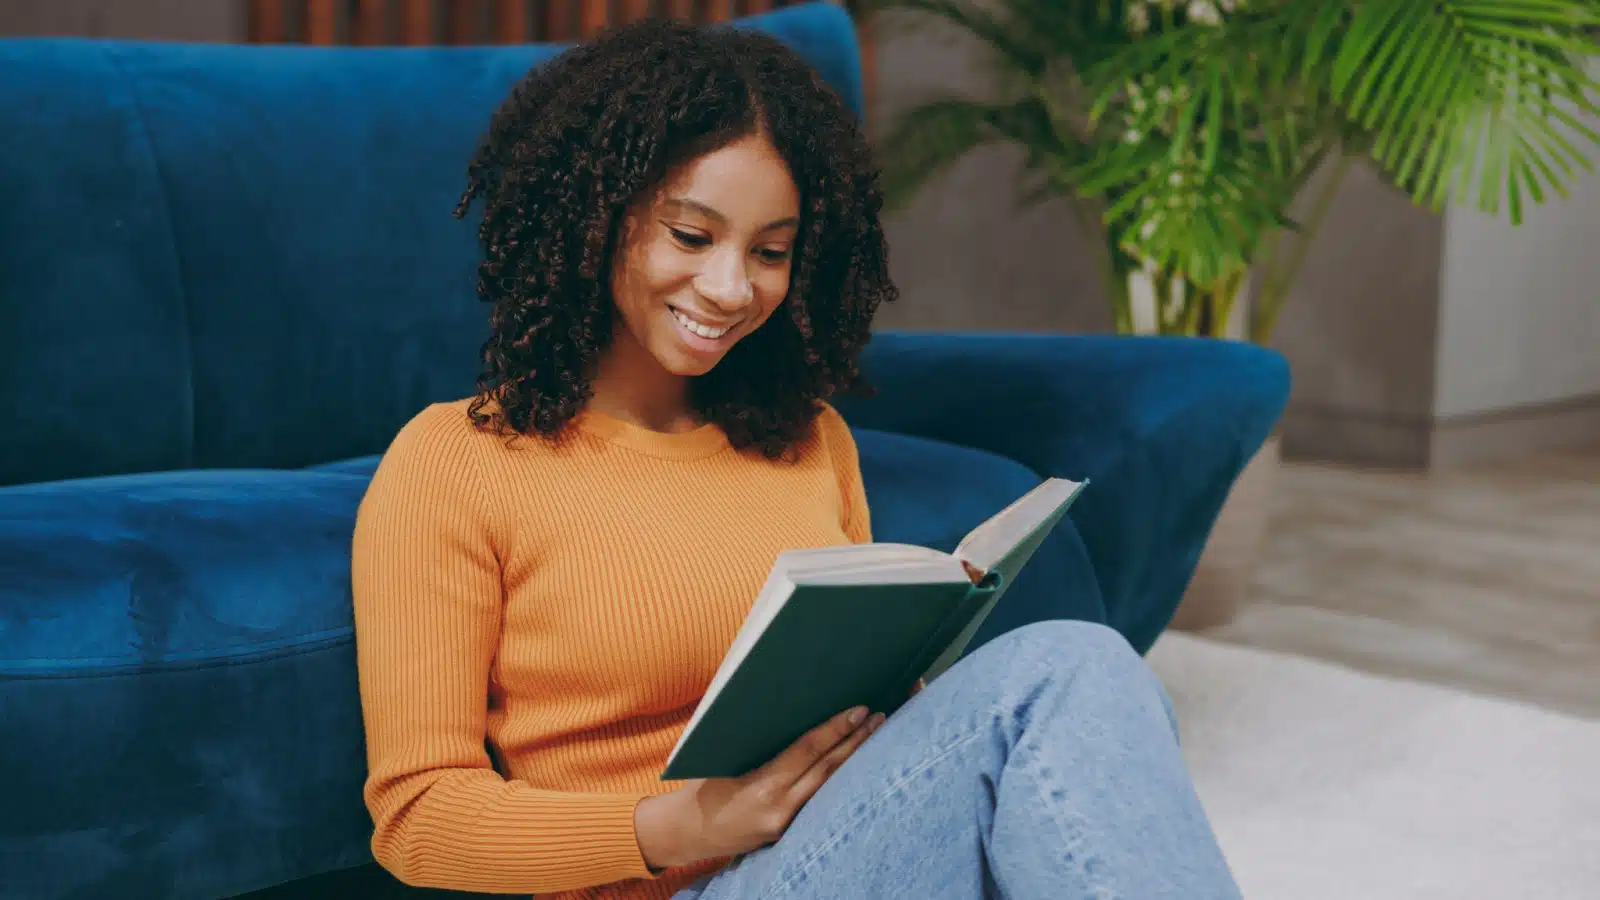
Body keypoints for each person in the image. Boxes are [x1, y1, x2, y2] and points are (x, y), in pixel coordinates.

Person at [350, 17, 1241, 900]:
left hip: (838, 850)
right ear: (593, 219)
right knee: (1059, 672)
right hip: (664, 886)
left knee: (1086, 701)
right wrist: (682, 827)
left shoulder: (807, 437)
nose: (733, 288)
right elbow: (418, 816)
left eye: (770, 252)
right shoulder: (458, 460)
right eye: (691, 238)